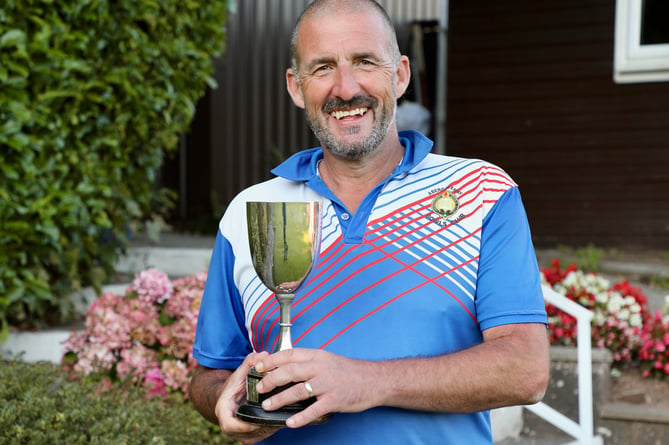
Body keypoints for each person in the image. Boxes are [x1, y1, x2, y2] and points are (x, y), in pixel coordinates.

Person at [188, 1, 550, 444]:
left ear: (399, 75)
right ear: (296, 87)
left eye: (364, 61)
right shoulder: (250, 211)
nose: (345, 88)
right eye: (322, 68)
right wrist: (222, 397)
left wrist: (365, 382)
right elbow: (209, 373)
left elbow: (525, 369)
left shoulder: (482, 191)